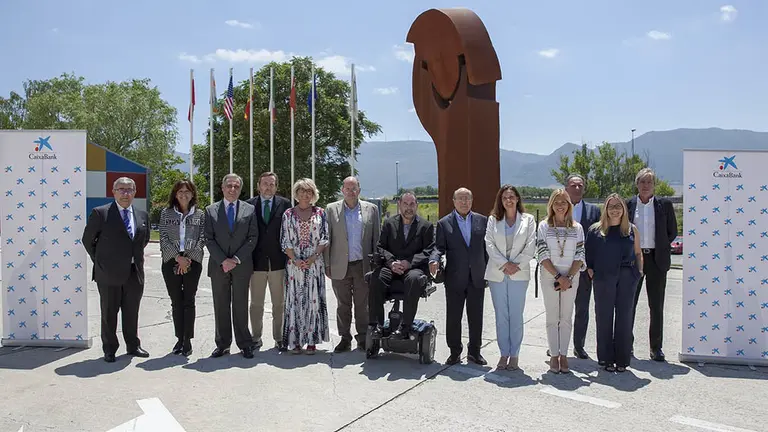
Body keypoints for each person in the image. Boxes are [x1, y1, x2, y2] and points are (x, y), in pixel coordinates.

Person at [82, 177, 150, 363]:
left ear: (135, 192)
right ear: (113, 191)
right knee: (109, 313)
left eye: (129, 190)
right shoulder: (101, 213)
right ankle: (110, 348)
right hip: (108, 274)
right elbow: (88, 240)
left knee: (131, 312)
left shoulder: (142, 215)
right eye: (121, 189)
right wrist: (101, 261)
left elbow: (142, 241)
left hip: (134, 273)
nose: (125, 193)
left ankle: (133, 345)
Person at [430, 188, 489, 365]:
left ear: (472, 201)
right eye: (460, 199)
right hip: (455, 277)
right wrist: (434, 260)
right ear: (454, 201)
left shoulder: (482, 221)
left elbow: (488, 248)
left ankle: (474, 352)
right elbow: (438, 248)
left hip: (477, 277)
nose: (464, 202)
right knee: (454, 317)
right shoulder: (444, 223)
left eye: (467, 199)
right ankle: (455, 351)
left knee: (476, 316)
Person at [586, 194, 643, 372]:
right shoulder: (595, 230)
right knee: (604, 317)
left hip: (627, 276)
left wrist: (639, 272)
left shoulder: (631, 229)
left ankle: (622, 359)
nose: (615, 209)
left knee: (624, 318)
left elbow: (638, 253)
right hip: (603, 277)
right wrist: (591, 271)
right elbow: (589, 255)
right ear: (606, 209)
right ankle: (605, 358)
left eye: (619, 206)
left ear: (624, 209)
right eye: (611, 206)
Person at [204, 173, 259, 359]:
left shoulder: (249, 210)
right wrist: (223, 260)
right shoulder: (210, 210)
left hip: (241, 266)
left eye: (236, 186)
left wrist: (235, 259)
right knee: (221, 306)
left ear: (240, 189)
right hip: (218, 266)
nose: (232, 189)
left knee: (241, 305)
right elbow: (209, 239)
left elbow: (253, 238)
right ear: (222, 187)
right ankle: (222, 344)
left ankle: (245, 343)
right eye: (229, 186)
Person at [324, 176, 381, 352]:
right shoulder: (331, 209)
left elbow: (376, 239)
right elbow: (327, 238)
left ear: (359, 190)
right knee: (343, 304)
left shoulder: (371, 209)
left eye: (354, 188)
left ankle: (363, 338)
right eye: (347, 188)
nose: (351, 191)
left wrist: (377, 264)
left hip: (363, 265)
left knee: (362, 304)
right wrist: (327, 264)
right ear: (342, 190)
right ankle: (344, 338)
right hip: (339, 264)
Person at [483, 185, 536, 371]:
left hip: (519, 274)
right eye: (505, 197)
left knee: (516, 315)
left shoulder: (528, 220)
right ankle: (503, 353)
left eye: (512, 197)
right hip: (498, 273)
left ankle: (515, 354)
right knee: (501, 316)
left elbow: (530, 246)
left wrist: (516, 265)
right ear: (500, 200)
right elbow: (489, 243)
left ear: (517, 199)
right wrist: (504, 264)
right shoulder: (493, 219)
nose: (508, 200)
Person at [627, 167, 677, 361]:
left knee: (656, 306)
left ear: (654, 185)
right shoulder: (629, 204)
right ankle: (626, 344)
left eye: (649, 182)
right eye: (642, 182)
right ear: (637, 184)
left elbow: (671, 231)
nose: (646, 185)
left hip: (657, 260)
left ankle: (656, 348)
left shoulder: (664, 205)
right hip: (634, 260)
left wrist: (661, 246)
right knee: (628, 304)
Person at [369, 192, 434, 338]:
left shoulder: (426, 226)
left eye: (412, 204)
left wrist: (409, 263)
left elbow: (428, 250)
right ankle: (376, 326)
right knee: (376, 277)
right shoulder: (389, 223)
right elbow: (381, 247)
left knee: (414, 279)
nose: (408, 208)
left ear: (417, 206)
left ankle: (405, 327)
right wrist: (392, 262)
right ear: (399, 205)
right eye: (405, 204)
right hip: (392, 265)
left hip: (414, 268)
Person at [536, 189, 586, 374]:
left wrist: (568, 278)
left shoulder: (577, 227)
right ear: (551, 205)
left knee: (566, 317)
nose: (560, 205)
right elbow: (542, 252)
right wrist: (558, 277)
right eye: (556, 202)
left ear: (569, 205)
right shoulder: (543, 226)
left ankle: (564, 355)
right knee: (552, 317)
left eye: (564, 202)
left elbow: (580, 254)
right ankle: (554, 356)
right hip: (550, 275)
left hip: (572, 276)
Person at [280, 178, 330, 354]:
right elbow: (285, 240)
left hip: (314, 264)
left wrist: (313, 257)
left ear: (313, 194)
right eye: (301, 191)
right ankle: (295, 342)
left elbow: (324, 237)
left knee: (313, 302)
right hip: (294, 265)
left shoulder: (320, 213)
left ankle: (311, 341)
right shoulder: (288, 214)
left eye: (309, 191)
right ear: (296, 193)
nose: (305, 194)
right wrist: (294, 259)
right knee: (294, 302)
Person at [158, 179, 206, 357]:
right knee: (176, 301)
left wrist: (187, 260)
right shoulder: (166, 213)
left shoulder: (200, 214)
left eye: (187, 191)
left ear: (193, 194)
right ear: (175, 194)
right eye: (180, 192)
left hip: (193, 262)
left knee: (189, 301)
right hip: (171, 260)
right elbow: (163, 238)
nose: (184, 194)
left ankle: (188, 340)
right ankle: (179, 338)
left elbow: (202, 239)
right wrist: (178, 258)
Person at [246, 172, 291, 351]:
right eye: (265, 184)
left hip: (278, 263)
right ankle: (256, 338)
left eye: (271, 184)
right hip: (256, 263)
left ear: (276, 186)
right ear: (258, 185)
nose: (268, 187)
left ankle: (279, 338)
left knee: (279, 304)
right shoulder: (248, 206)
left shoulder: (285, 205)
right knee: (256, 304)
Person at [565, 174, 601, 359]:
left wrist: (592, 265)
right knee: (561, 309)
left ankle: (579, 346)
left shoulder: (595, 212)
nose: (577, 188)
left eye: (580, 185)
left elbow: (599, 241)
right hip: (561, 269)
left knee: (582, 309)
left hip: (585, 270)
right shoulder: (558, 208)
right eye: (573, 185)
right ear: (566, 188)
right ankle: (557, 346)